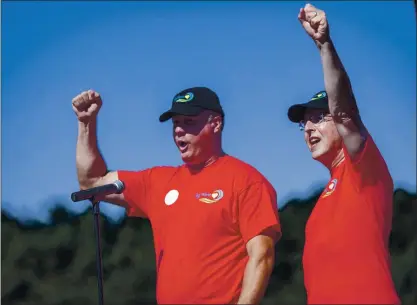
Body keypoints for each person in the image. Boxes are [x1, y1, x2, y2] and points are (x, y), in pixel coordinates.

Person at [72, 86, 282, 304]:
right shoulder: (158, 182)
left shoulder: (247, 181)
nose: (179, 130)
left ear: (216, 123)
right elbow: (91, 182)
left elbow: (261, 256)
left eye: (188, 122)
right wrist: (86, 123)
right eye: (175, 123)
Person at [286, 3, 401, 304]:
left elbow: (346, 113)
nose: (309, 127)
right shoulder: (323, 200)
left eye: (319, 118)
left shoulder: (363, 170)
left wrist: (324, 45)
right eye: (304, 122)